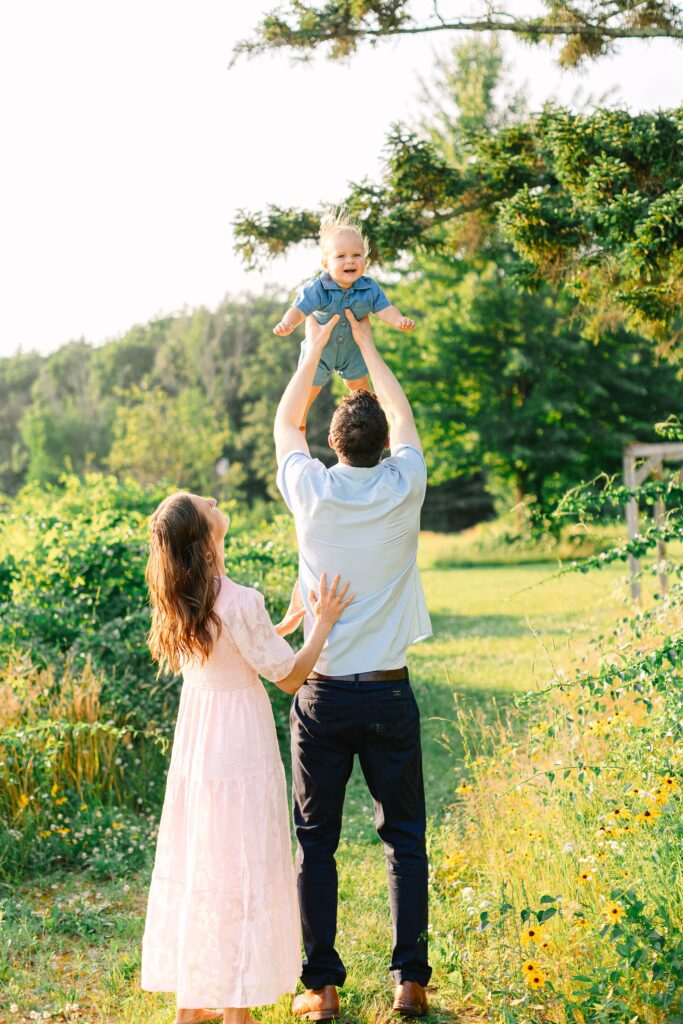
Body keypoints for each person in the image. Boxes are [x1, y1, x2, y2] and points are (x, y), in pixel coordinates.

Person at [139, 490, 353, 1024]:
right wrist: (321, 623)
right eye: (204, 502)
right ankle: (235, 1012)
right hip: (239, 743)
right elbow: (289, 677)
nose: (214, 498)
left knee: (202, 858)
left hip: (199, 740)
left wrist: (275, 628)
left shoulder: (184, 597)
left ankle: (189, 1008)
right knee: (239, 861)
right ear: (204, 533)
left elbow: (232, 648)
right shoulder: (238, 599)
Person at [274, 309, 433, 1019]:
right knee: (404, 841)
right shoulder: (405, 487)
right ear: (380, 447)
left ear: (334, 445)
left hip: (325, 696)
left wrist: (314, 347)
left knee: (317, 845)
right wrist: (364, 341)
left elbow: (285, 426)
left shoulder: (311, 492)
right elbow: (402, 417)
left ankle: (324, 987)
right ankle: (409, 982)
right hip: (389, 695)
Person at [272, 211, 415, 429]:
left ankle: (378, 426)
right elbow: (298, 310)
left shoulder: (369, 288)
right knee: (305, 395)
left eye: (357, 255)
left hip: (351, 351)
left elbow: (385, 309)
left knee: (362, 388)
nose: (350, 260)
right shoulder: (317, 289)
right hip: (318, 354)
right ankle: (298, 428)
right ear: (326, 264)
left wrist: (398, 321)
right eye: (341, 256)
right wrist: (288, 323)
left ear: (365, 260)